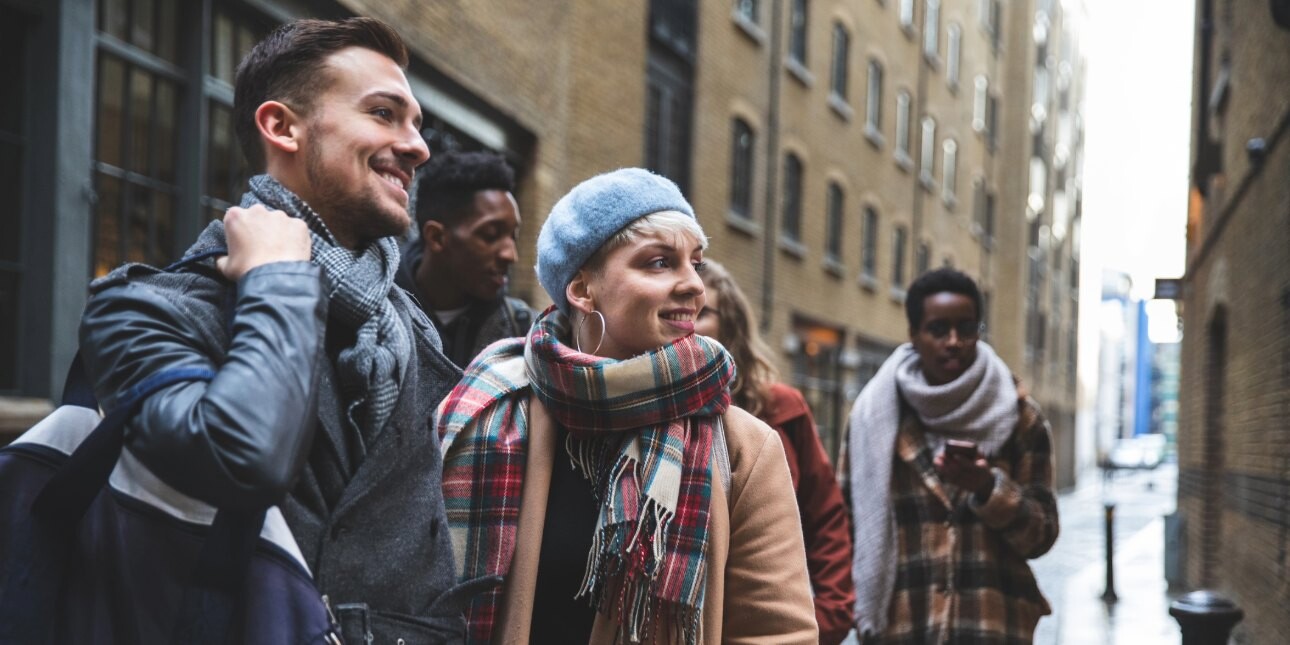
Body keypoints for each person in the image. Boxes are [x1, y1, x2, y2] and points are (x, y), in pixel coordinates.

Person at [79, 18, 480, 643]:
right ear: (281, 126)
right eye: (383, 113)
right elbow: (242, 459)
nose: (418, 146)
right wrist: (279, 282)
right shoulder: (144, 308)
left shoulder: (413, 336)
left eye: (417, 125)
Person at [437, 168, 817, 644]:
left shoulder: (744, 448)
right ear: (581, 289)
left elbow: (778, 634)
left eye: (694, 264)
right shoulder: (487, 407)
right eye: (659, 263)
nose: (693, 286)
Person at [847, 268, 1059, 644]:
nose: (954, 341)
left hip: (992, 627)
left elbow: (1041, 536)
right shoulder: (874, 416)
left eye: (967, 328)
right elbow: (847, 524)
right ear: (914, 334)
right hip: (903, 626)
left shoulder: (1020, 416)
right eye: (938, 329)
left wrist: (987, 488)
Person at [692, 260, 856, 645]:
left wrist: (827, 617)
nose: (689, 320)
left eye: (704, 312)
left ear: (729, 324)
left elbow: (826, 516)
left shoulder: (781, 407)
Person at [397, 150, 533, 368]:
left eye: (512, 236)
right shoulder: (377, 309)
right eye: (490, 235)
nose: (510, 255)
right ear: (437, 237)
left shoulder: (523, 333)